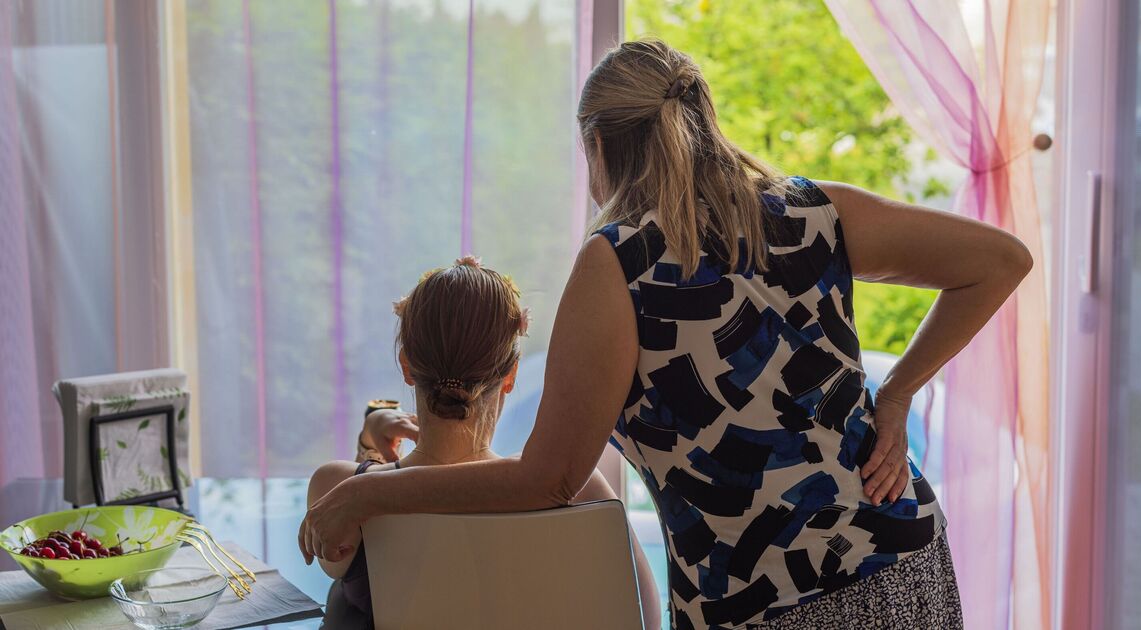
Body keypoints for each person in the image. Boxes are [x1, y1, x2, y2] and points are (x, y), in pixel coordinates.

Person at [300, 39, 1032, 629]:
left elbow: (548, 479)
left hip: (763, 602)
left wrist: (369, 495)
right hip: (903, 560)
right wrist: (897, 393)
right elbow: (1000, 261)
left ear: (599, 146)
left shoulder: (617, 264)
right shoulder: (814, 210)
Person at [304, 257, 661, 630]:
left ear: (406, 365)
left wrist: (369, 444)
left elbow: (340, 551)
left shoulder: (338, 489)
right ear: (510, 376)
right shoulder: (583, 494)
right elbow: (646, 619)